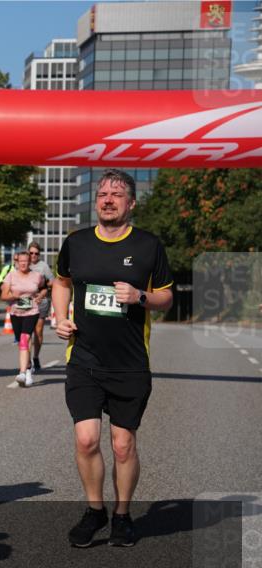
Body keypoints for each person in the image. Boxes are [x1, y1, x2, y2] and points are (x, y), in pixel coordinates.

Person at [53, 169, 173, 548]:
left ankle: (122, 514)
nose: (107, 199)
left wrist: (140, 296)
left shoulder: (149, 246)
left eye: (116, 194)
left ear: (131, 203)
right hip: (84, 358)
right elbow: (61, 282)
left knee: (123, 445)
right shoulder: (77, 243)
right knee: (87, 439)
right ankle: (94, 510)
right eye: (102, 193)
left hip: (130, 362)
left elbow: (166, 297)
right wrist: (60, 318)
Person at [1, 251, 47, 387]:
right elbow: (3, 295)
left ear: (30, 262)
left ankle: (22, 373)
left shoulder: (37, 276)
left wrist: (40, 296)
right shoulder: (11, 276)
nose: (23, 263)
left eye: (26, 261)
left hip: (32, 311)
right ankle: (27, 367)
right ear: (17, 262)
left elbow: (44, 288)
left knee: (24, 339)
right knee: (22, 343)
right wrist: (13, 296)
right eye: (21, 261)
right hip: (16, 312)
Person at [28, 241, 55, 372]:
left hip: (41, 300)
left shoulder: (43, 266)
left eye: (36, 253)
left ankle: (36, 356)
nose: (33, 255)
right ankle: (26, 360)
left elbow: (52, 282)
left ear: (39, 254)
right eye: (31, 253)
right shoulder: (22, 264)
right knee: (26, 331)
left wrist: (43, 285)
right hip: (25, 300)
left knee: (38, 331)